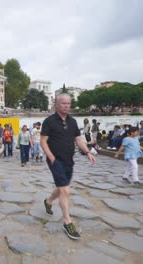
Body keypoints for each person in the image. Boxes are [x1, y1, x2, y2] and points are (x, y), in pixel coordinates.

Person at [41, 94, 96, 240]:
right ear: (57, 104)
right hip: (55, 160)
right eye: (63, 103)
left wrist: (87, 152)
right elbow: (43, 141)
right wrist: (51, 156)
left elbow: (78, 139)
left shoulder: (72, 121)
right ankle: (67, 221)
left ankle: (48, 201)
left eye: (68, 103)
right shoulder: (49, 121)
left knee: (61, 188)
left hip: (68, 160)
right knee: (65, 190)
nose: (66, 106)